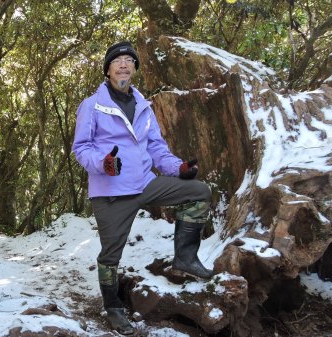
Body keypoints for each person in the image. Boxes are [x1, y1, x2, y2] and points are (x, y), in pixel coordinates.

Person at [72, 41, 213, 335]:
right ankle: (113, 308)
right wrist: (103, 164)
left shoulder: (144, 106)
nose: (123, 65)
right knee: (111, 255)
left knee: (199, 193)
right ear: (108, 69)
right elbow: (82, 148)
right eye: (117, 61)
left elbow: (157, 149)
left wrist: (179, 169)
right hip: (111, 191)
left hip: (146, 183)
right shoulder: (91, 105)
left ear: (134, 68)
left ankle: (185, 257)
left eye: (129, 61)